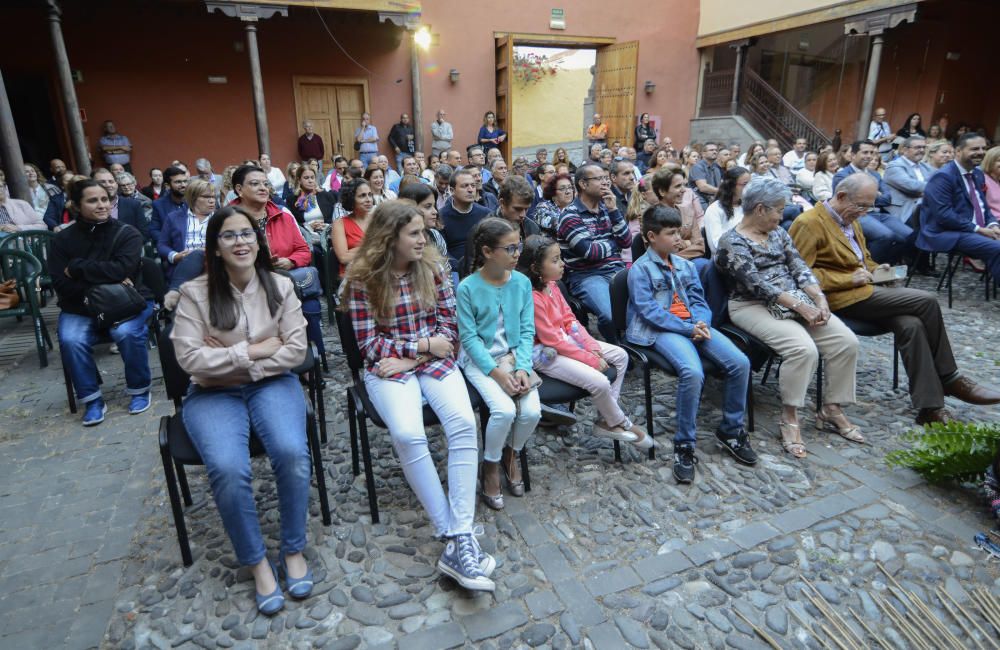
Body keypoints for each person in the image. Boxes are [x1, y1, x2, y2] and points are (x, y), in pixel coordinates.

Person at [340, 200, 495, 591]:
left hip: (423, 362)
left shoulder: (435, 268)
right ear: (389, 238)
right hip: (387, 370)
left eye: (423, 232)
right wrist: (424, 347)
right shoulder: (362, 280)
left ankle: (458, 533)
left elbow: (451, 331)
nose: (423, 240)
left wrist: (414, 355)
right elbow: (369, 347)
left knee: (462, 423)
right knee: (408, 434)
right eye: (414, 233)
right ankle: (456, 536)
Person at [171, 206, 313, 615]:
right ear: (215, 247)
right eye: (229, 236)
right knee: (229, 469)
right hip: (213, 395)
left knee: (290, 452)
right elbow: (191, 361)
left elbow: (296, 351)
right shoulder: (194, 294)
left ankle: (292, 550)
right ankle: (256, 563)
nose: (241, 242)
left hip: (272, 384)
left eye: (247, 233)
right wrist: (251, 351)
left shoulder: (279, 286)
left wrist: (232, 358)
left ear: (258, 239)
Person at [790, 173, 1000, 425]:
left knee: (910, 324)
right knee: (927, 300)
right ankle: (949, 377)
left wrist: (879, 271)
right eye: (861, 206)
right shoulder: (809, 222)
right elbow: (799, 274)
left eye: (870, 206)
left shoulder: (851, 219)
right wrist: (849, 280)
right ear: (841, 196)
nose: (865, 212)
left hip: (865, 293)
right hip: (835, 299)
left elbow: (862, 260)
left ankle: (930, 407)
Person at [715, 177, 862, 459]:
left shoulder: (778, 234)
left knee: (846, 341)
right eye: (778, 210)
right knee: (802, 350)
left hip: (794, 300)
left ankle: (831, 408)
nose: (781, 217)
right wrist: (802, 307)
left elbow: (798, 266)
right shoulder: (731, 242)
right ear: (760, 209)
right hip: (750, 305)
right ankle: (790, 417)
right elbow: (758, 285)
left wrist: (818, 298)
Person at [628, 205, 756, 482]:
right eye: (671, 233)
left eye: (679, 232)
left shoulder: (685, 265)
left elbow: (699, 300)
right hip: (661, 329)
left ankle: (731, 430)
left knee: (740, 363)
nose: (678, 238)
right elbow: (649, 312)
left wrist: (702, 323)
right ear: (651, 236)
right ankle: (684, 443)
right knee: (692, 371)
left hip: (692, 326)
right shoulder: (640, 270)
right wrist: (688, 329)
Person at [518, 234, 650, 446]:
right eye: (555, 260)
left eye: (560, 258)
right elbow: (552, 340)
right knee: (599, 381)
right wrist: (590, 359)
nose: (562, 264)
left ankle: (606, 419)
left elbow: (570, 320)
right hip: (544, 353)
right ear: (535, 268)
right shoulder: (532, 297)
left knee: (621, 356)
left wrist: (591, 346)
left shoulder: (551, 285)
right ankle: (620, 421)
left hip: (564, 342)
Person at [50, 179, 153, 425]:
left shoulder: (127, 233)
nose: (101, 205)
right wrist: (103, 282)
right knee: (71, 339)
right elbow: (60, 283)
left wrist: (76, 267)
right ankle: (92, 399)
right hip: (79, 305)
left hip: (124, 303)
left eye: (105, 199)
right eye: (92, 200)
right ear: (76, 205)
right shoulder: (62, 240)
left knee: (127, 333)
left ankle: (139, 390)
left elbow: (122, 269)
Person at [457, 217, 541, 510]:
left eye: (518, 246)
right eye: (510, 248)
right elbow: (469, 339)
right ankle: (490, 465)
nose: (518, 253)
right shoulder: (468, 288)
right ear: (488, 251)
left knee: (532, 412)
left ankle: (511, 453)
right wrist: (497, 374)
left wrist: (521, 366)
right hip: (481, 362)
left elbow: (528, 330)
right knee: (504, 410)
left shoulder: (521, 282)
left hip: (514, 357)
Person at [557, 163, 632, 342]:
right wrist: (614, 244)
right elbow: (590, 252)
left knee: (645, 306)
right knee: (610, 315)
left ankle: (636, 345)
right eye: (599, 179)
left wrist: (614, 210)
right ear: (583, 184)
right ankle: (617, 349)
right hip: (586, 275)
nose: (605, 183)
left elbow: (626, 241)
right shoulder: (570, 215)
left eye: (606, 178)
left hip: (616, 270)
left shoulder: (608, 209)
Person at [919, 133, 1000, 281]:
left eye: (984, 148)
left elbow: (984, 207)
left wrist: (993, 224)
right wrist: (978, 229)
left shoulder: (977, 174)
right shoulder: (943, 177)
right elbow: (944, 215)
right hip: (947, 232)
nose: (981, 152)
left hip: (974, 229)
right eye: (974, 148)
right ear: (958, 151)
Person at [832, 140, 912, 264]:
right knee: (885, 236)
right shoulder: (842, 175)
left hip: (878, 214)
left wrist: (866, 196)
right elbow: (848, 201)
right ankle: (869, 269)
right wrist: (875, 195)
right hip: (856, 215)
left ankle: (886, 269)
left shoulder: (876, 175)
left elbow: (887, 199)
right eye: (865, 152)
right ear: (853, 155)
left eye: (872, 153)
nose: (869, 156)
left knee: (908, 235)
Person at [158, 178, 215, 279]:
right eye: (206, 197)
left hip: (213, 266)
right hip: (183, 266)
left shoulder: (221, 218)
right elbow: (162, 245)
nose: (212, 201)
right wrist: (175, 256)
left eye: (213, 197)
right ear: (193, 198)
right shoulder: (173, 217)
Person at [651, 168, 707, 265]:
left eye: (684, 185)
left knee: (704, 264)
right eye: (678, 186)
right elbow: (657, 255)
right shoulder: (651, 217)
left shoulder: (688, 212)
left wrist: (677, 251)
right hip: (663, 269)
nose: (684, 190)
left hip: (689, 263)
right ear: (662, 191)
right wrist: (688, 243)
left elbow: (700, 247)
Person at [440, 168, 491, 273]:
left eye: (473, 185)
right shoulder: (441, 216)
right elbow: (442, 251)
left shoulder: (486, 214)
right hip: (453, 270)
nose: (470, 189)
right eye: (465, 186)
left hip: (483, 268)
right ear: (452, 190)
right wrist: (460, 268)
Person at [884, 136, 934, 227]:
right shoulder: (894, 165)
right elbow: (912, 186)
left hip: (926, 207)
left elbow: (939, 182)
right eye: (918, 147)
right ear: (905, 150)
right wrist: (934, 189)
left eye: (924, 147)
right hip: (905, 211)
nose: (922, 150)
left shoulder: (926, 167)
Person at [93, 168, 150, 243]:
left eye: (111, 181)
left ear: (116, 184)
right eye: (102, 182)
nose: (108, 185)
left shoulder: (134, 204)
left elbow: (144, 234)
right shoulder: (89, 207)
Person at [704, 167, 751, 254]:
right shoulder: (714, 210)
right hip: (729, 256)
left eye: (750, 184)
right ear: (731, 186)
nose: (750, 188)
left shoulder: (747, 205)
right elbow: (715, 246)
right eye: (745, 184)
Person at [331, 178, 374, 274]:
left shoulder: (377, 220)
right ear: (351, 199)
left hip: (378, 268)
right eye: (362, 196)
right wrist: (373, 248)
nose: (368, 200)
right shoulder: (340, 223)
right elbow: (343, 257)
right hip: (352, 273)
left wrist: (355, 251)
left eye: (370, 195)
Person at [398, 183, 448, 257]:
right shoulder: (398, 240)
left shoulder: (435, 235)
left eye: (434, 206)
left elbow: (445, 266)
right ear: (410, 208)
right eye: (428, 207)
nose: (435, 212)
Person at [151, 166, 189, 243]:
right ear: (167, 186)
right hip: (171, 248)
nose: (183, 185)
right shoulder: (159, 205)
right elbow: (154, 230)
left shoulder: (194, 202)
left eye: (185, 181)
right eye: (178, 182)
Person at [689, 142, 722, 209]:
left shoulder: (716, 168)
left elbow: (718, 185)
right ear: (703, 154)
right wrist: (722, 191)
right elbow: (703, 187)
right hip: (700, 202)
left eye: (716, 150)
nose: (715, 152)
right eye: (711, 150)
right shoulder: (697, 167)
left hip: (714, 201)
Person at [983, 146, 1000, 217]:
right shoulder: (983, 180)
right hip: (993, 222)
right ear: (990, 162)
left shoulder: (998, 179)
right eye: (999, 160)